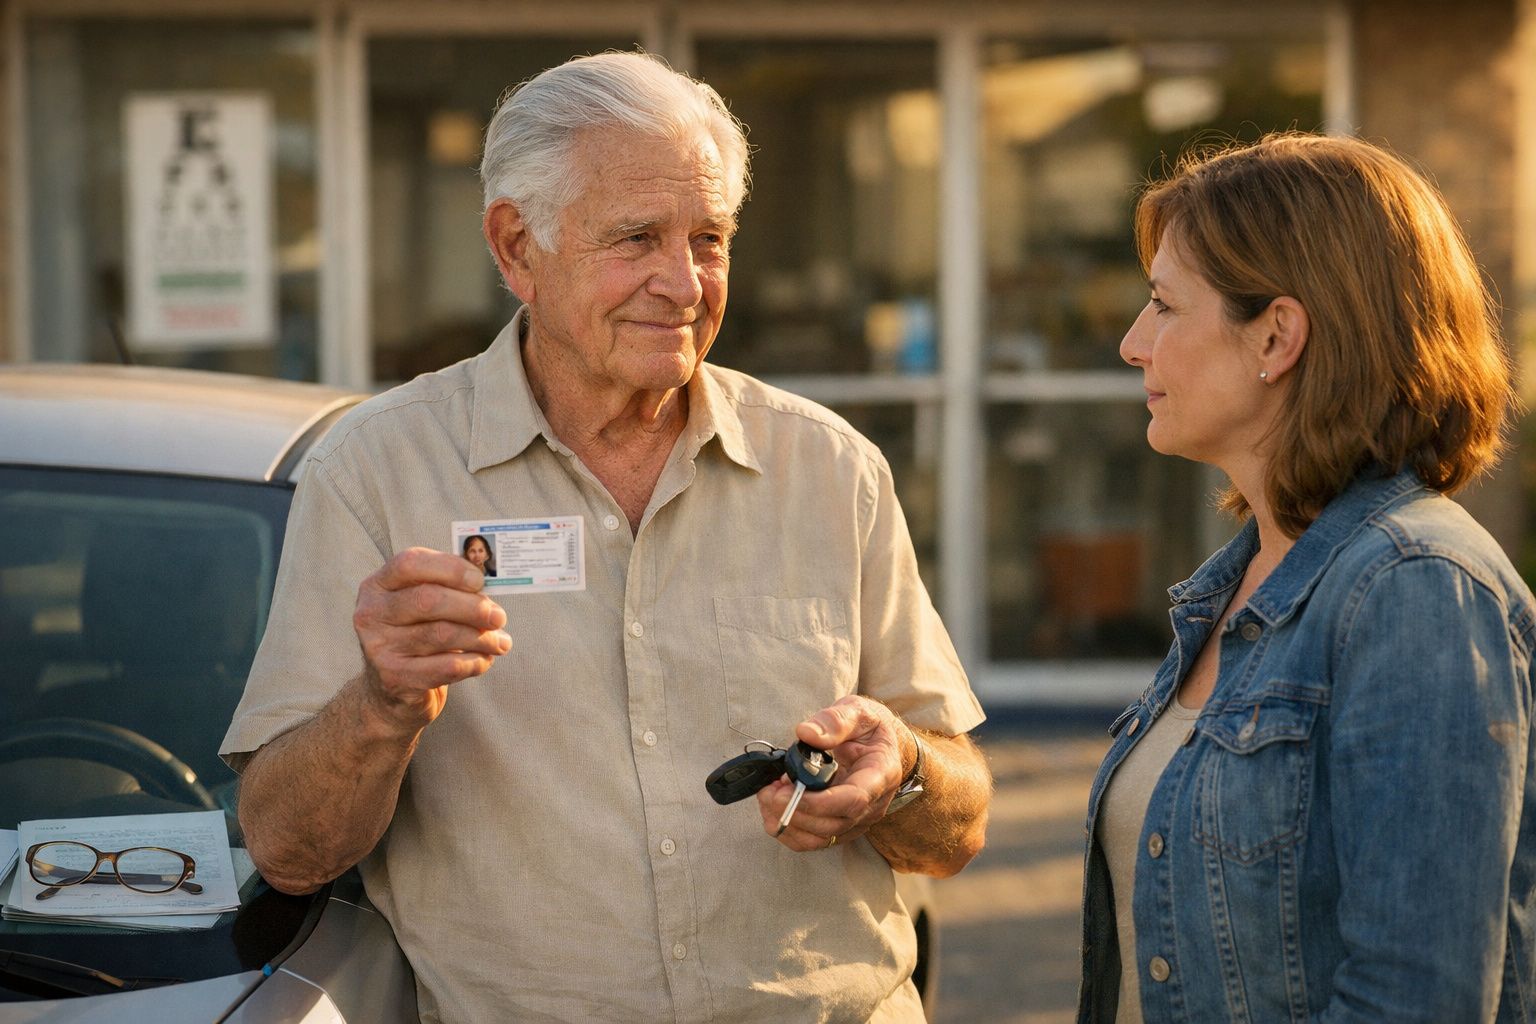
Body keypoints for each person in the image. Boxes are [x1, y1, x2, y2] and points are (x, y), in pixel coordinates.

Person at [221, 51, 990, 1023]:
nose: (683, 281)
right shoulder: (376, 474)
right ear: (516, 248)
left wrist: (903, 776)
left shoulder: (832, 472)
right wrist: (381, 703)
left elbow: (959, 826)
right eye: (637, 238)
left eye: (709, 238)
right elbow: (287, 850)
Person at [1079, 132, 1536, 1022]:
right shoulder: (1240, 585)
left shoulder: (1414, 588)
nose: (1135, 344)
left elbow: (1416, 998)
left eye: (1164, 307)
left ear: (1279, 335)